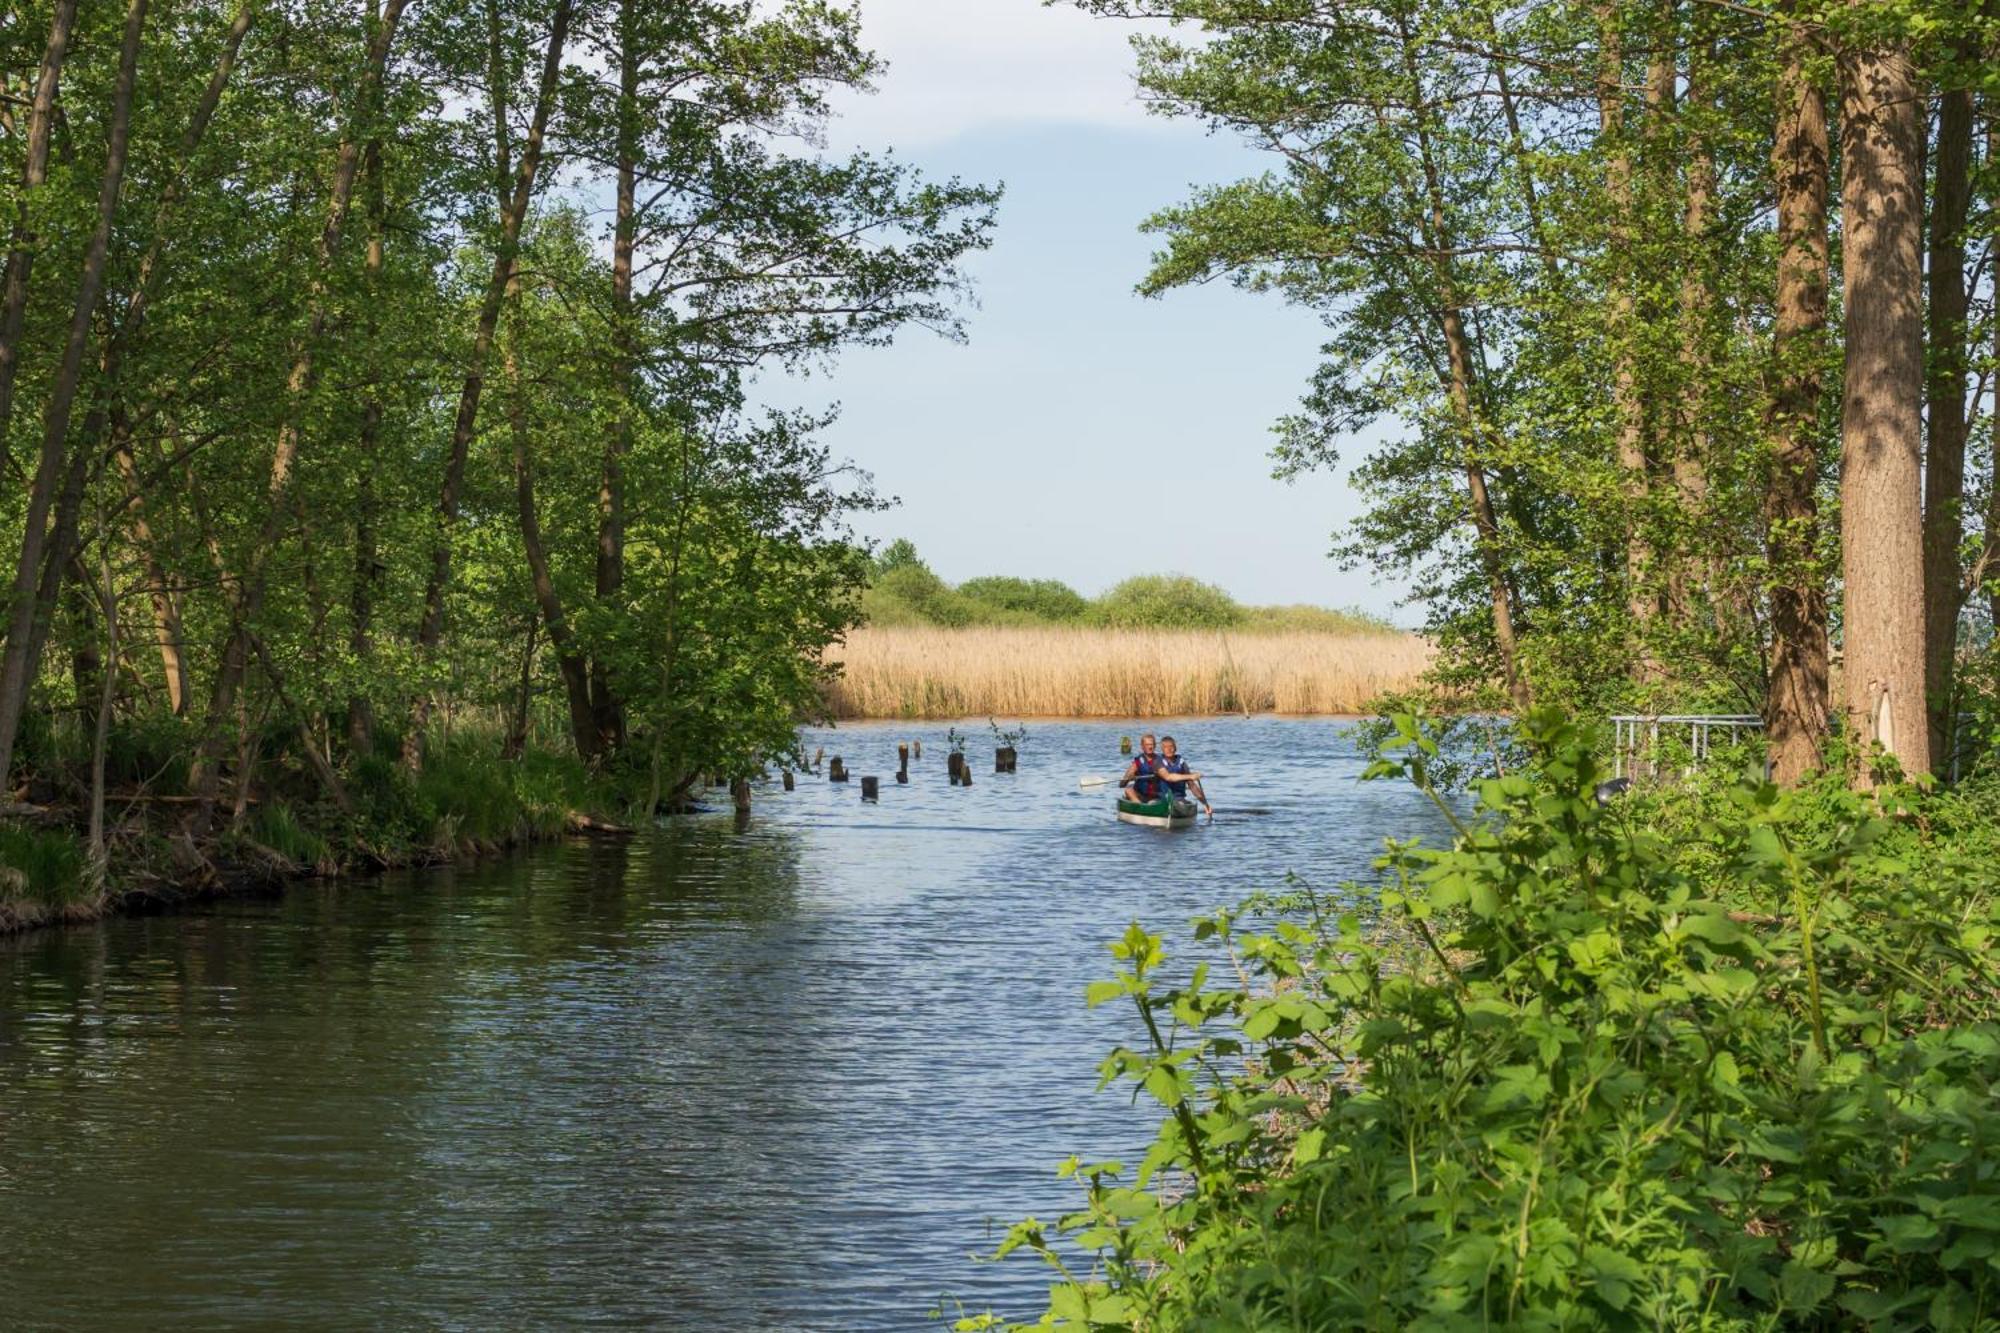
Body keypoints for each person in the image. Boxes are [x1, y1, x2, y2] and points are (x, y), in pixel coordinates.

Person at [1156, 735, 1212, 818]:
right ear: (1162, 749)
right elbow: (1168, 777)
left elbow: (1192, 786)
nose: (1169, 749)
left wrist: (1205, 804)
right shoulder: (1157, 761)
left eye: (1171, 746)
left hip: (1179, 799)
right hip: (1161, 799)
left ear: (1175, 748)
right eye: (1165, 747)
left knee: (1180, 804)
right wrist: (1190, 776)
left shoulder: (1181, 762)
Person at [1120, 733, 1163, 804]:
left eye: (1151, 744)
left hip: (1156, 796)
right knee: (1128, 790)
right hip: (1140, 795)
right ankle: (1139, 804)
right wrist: (1129, 777)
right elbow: (1122, 785)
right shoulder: (1137, 762)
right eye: (1147, 745)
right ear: (1142, 747)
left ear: (1155, 746)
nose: (1150, 747)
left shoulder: (1161, 760)